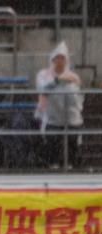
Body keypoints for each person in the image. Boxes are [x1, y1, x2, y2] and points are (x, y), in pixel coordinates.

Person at [35, 41, 84, 169]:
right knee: (52, 145)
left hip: (71, 119)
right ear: (52, 59)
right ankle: (53, 166)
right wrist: (58, 80)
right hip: (52, 118)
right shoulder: (44, 75)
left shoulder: (73, 76)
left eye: (63, 58)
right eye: (57, 58)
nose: (60, 61)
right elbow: (43, 89)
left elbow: (79, 95)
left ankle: (71, 166)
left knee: (72, 145)